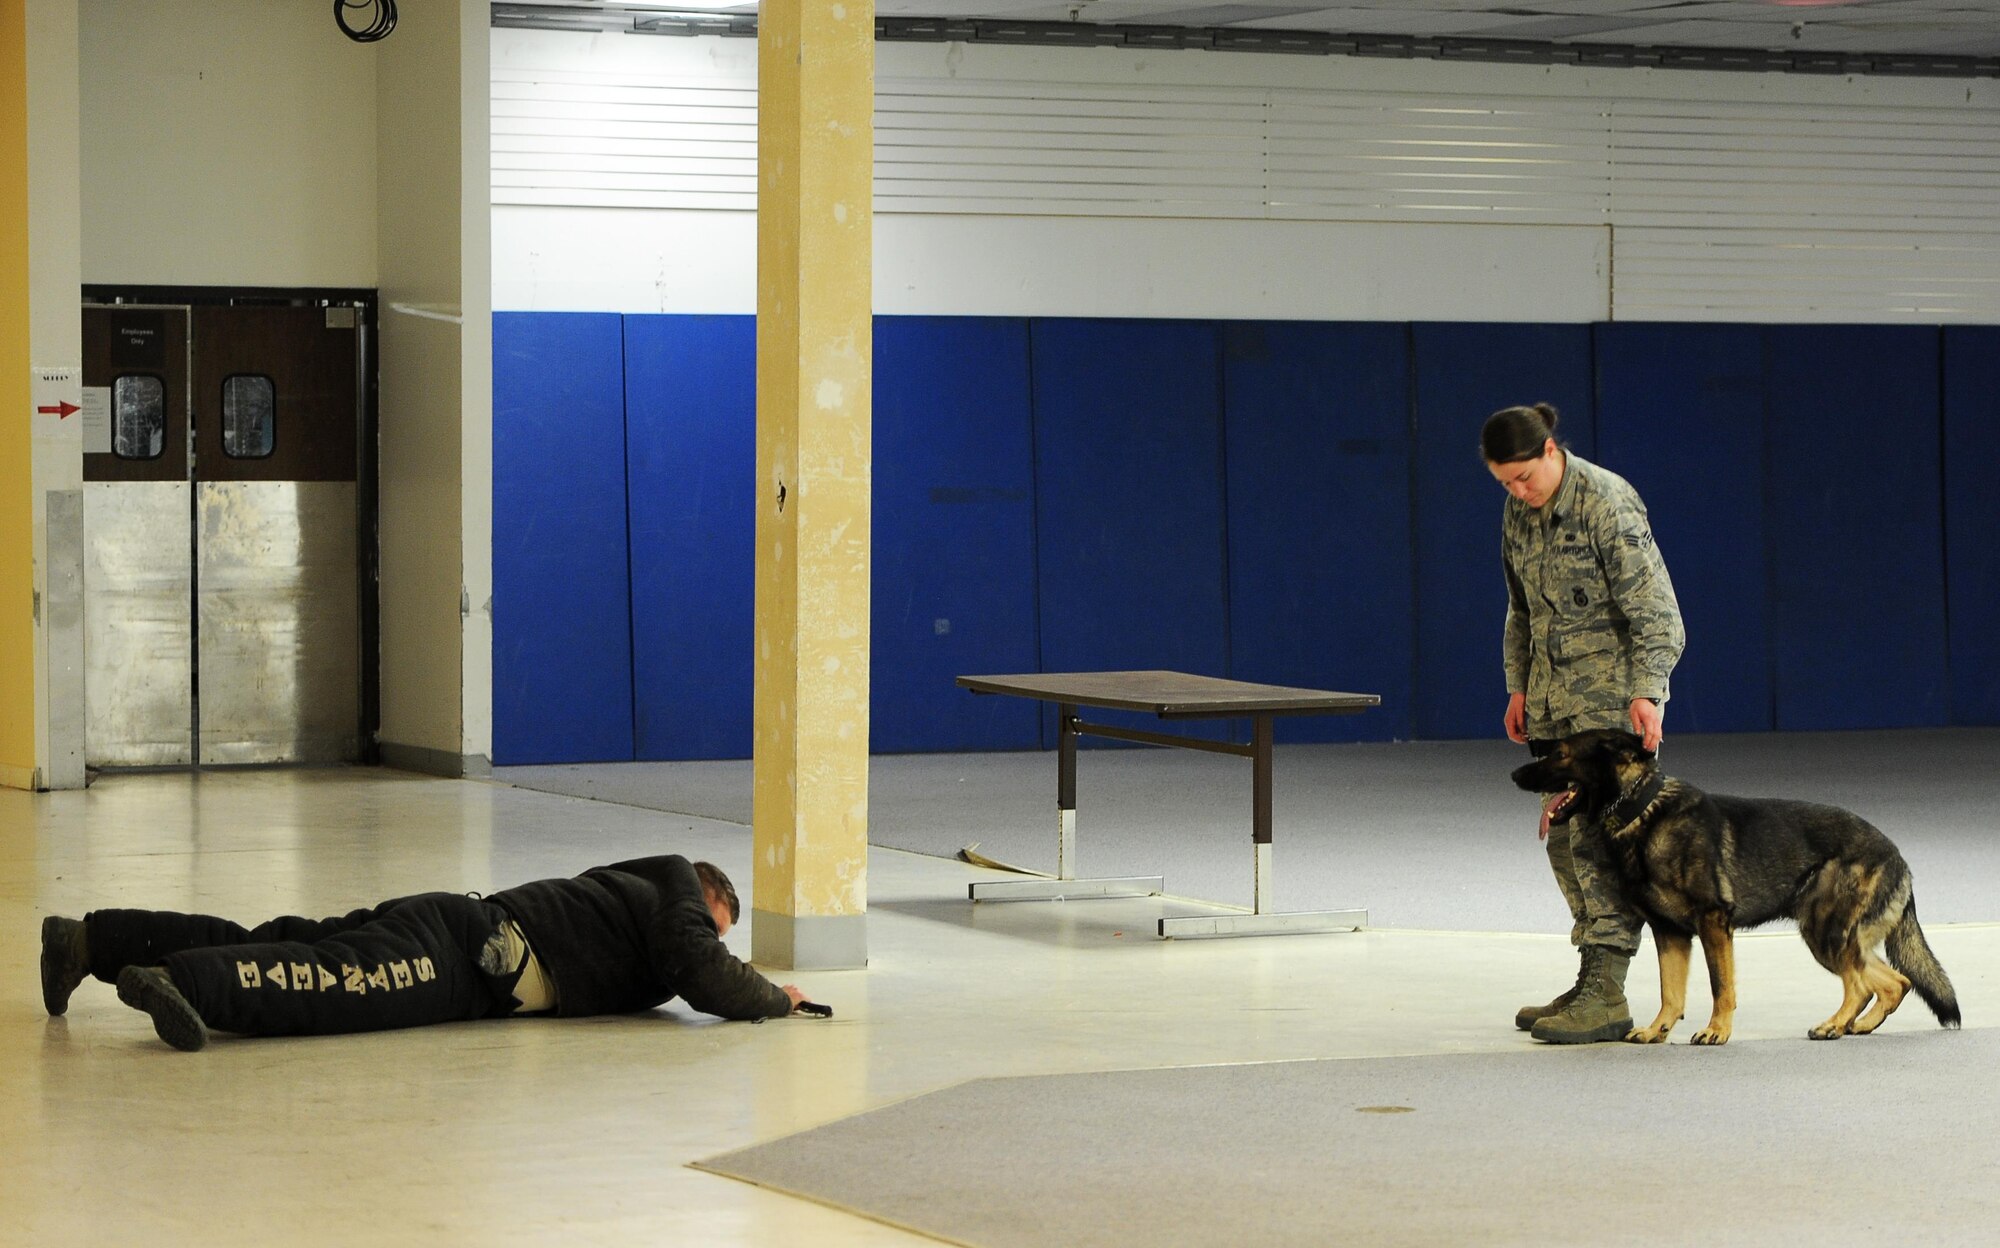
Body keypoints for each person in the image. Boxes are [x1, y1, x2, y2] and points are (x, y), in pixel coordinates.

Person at [40, 854, 816, 1052]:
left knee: (278, 941)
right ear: (708, 896)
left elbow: (685, 964)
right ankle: (178, 982)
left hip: (460, 930)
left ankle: (89, 941)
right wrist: (776, 997)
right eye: (720, 926)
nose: (715, 941)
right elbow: (701, 969)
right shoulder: (678, 889)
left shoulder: (635, 889)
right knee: (333, 983)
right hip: (468, 953)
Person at [1484, 402, 1685, 1045]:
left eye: (1524, 477)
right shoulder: (1518, 510)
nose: (1518, 492)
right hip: (1552, 704)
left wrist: (1648, 693)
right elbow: (1520, 609)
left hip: (1609, 709)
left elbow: (1657, 612)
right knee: (1565, 845)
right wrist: (1519, 683)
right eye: (1504, 482)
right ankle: (1591, 973)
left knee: (1602, 845)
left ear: (1550, 452)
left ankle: (1608, 989)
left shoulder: (1608, 503)